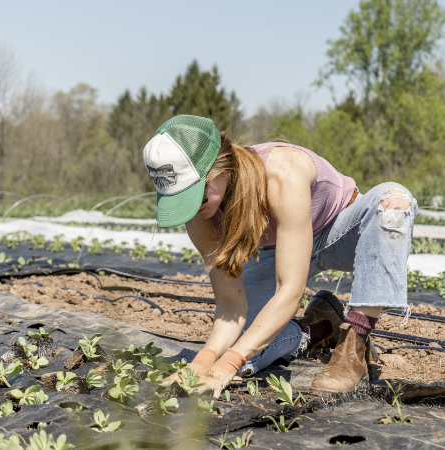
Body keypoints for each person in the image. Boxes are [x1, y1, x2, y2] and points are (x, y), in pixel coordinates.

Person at [143, 115, 417, 398]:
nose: (193, 209)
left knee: (394, 201)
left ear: (220, 167)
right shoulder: (199, 216)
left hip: (340, 232)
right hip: (279, 250)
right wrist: (204, 362)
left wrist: (228, 363)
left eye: (196, 196)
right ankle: (318, 327)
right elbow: (231, 305)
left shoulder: (280, 173)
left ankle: (354, 344)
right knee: (243, 344)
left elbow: (290, 291)